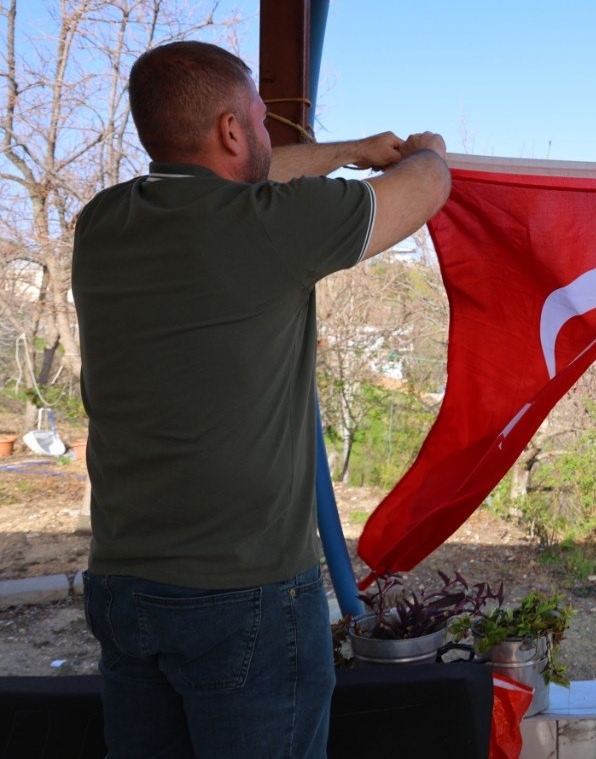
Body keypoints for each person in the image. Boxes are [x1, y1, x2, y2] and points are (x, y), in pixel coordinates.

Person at [71, 40, 451, 757]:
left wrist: (354, 149)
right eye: (259, 117)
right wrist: (425, 153)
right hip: (243, 597)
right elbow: (425, 192)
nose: (271, 135)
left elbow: (258, 170)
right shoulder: (272, 227)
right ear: (231, 130)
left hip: (124, 590)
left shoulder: (102, 224)